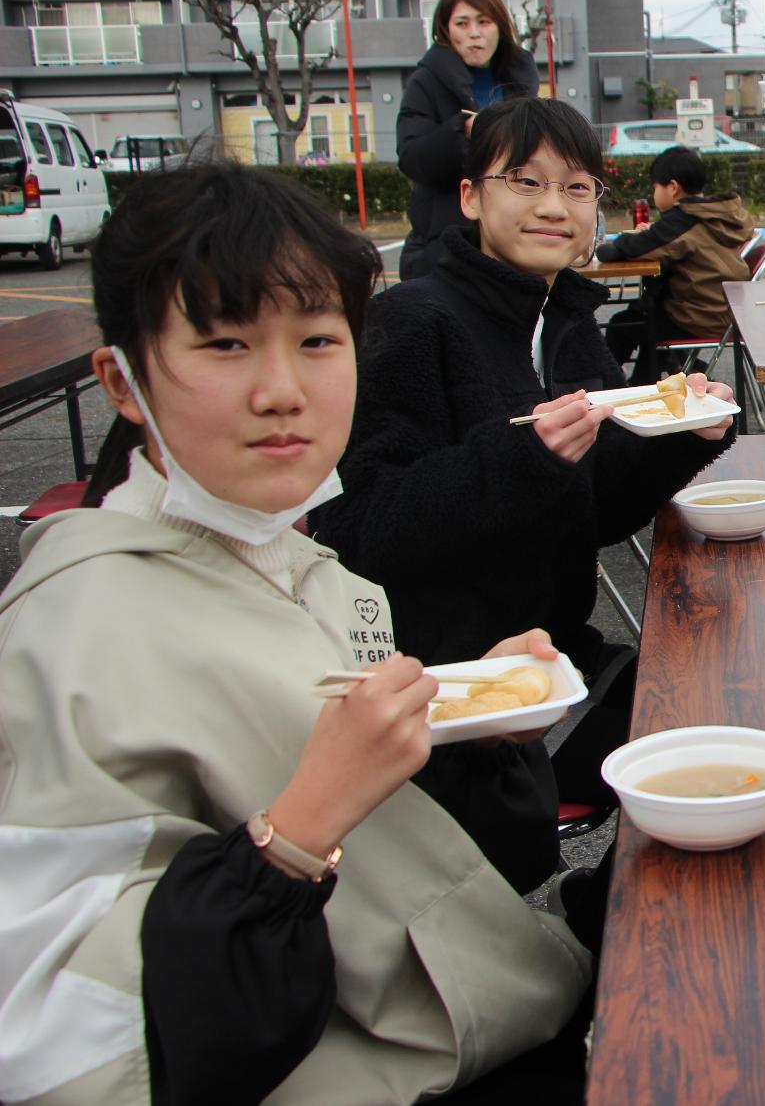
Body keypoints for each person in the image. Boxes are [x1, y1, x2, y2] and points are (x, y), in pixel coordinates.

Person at [0, 165, 593, 1104]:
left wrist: (470, 720)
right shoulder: (70, 632)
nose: (282, 390)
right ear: (121, 378)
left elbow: (464, 865)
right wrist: (298, 829)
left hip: (480, 1016)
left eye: (318, 339)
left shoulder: (310, 570)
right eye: (226, 343)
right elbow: (65, 1052)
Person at [317, 97, 736, 878]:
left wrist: (682, 436)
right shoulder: (414, 322)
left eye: (578, 188)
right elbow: (359, 529)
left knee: (730, 691)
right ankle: (598, 939)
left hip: (553, 656)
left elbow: (597, 507)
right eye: (526, 181)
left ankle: (603, 923)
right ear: (472, 196)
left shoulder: (567, 320)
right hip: (458, 693)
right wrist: (521, 459)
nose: (554, 206)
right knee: (700, 742)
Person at [397, 0, 542, 282]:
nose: (474, 33)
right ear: (445, 30)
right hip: (444, 241)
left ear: (500, 26)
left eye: (484, 21)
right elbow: (411, 158)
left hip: (515, 234)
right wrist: (463, 131)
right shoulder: (426, 80)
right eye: (462, 23)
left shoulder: (521, 77)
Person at [598, 145, 754, 380]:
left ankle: (612, 387)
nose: (654, 193)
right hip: (725, 311)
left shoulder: (682, 220)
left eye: (655, 187)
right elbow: (661, 242)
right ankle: (662, 376)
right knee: (642, 316)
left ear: (672, 187)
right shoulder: (711, 213)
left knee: (625, 325)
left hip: (699, 317)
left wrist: (605, 248)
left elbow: (632, 248)